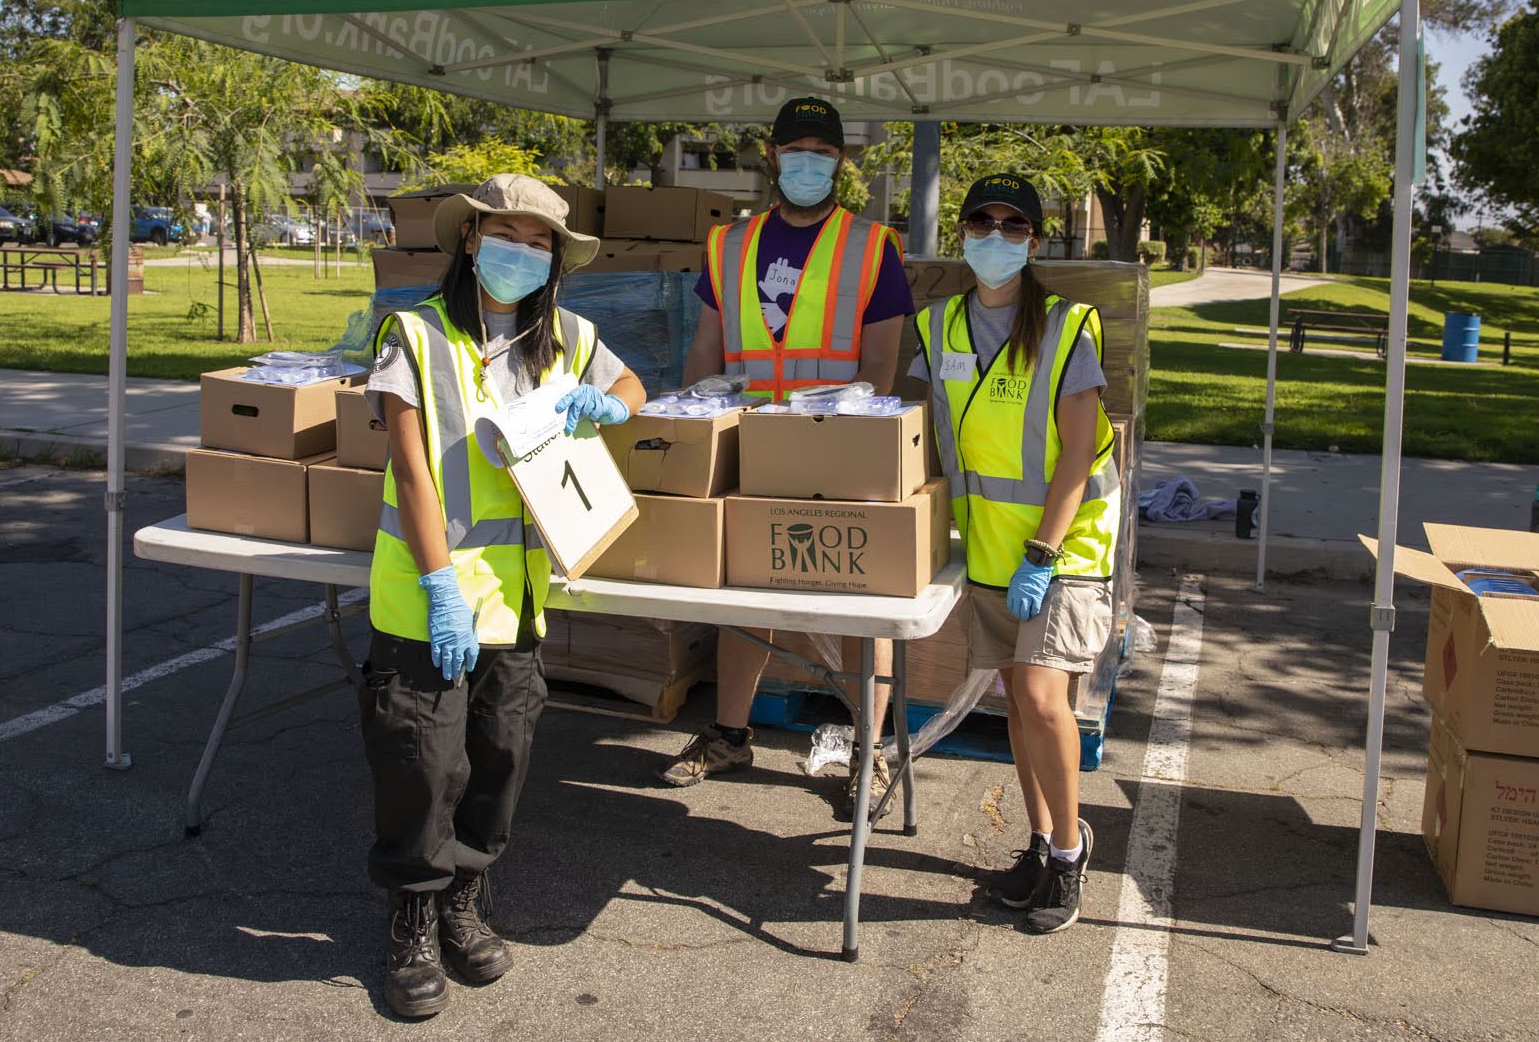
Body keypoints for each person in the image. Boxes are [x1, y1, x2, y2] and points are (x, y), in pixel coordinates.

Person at [360, 173, 647, 1019]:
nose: (521, 252)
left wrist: (611, 405)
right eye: (506, 235)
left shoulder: (567, 337)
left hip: (517, 606)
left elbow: (633, 388)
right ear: (471, 240)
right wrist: (441, 584)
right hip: (428, 600)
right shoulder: (411, 334)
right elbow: (412, 469)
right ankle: (412, 915)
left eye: (539, 241)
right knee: (422, 764)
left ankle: (464, 897)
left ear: (554, 258)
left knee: (500, 760)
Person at [660, 95, 915, 818]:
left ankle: (874, 751)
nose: (808, 160)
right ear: (771, 155)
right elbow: (708, 347)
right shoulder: (730, 243)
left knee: (858, 596)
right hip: (745, 439)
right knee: (744, 590)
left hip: (835, 444)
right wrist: (692, 431)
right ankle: (730, 731)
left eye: (823, 150)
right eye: (795, 147)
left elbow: (882, 364)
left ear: (841, 161)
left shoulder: (872, 246)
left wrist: (837, 433)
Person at [909, 173, 1120, 934]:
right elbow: (921, 442)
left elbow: (1073, 457)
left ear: (1035, 240)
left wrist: (1044, 550)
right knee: (1016, 708)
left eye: (1014, 225)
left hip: (1063, 545)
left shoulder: (1067, 327)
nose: (996, 235)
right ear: (962, 232)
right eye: (982, 221)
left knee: (1040, 699)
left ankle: (1069, 855)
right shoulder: (938, 328)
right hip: (989, 550)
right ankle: (1039, 840)